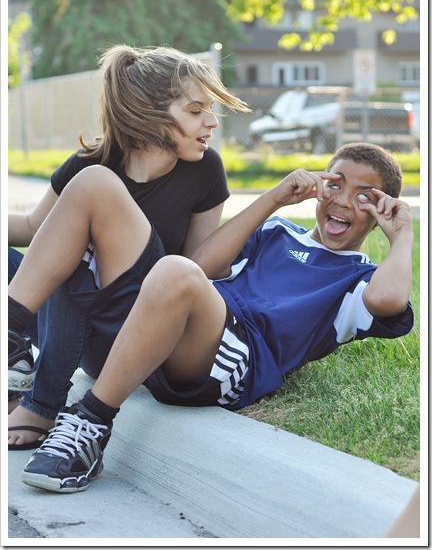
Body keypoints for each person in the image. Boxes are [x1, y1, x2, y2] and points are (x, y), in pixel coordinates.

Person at [10, 142, 414, 493]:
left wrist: (402, 234)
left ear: (381, 210)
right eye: (335, 184)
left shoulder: (357, 278)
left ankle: (91, 424)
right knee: (94, 184)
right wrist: (274, 198)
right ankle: (11, 344)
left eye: (364, 197)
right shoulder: (276, 232)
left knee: (175, 270)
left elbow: (389, 300)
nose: (343, 201)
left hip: (230, 359)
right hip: (171, 323)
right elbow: (205, 263)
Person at [8, 43, 250, 450]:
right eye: (196, 111)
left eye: (210, 109)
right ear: (147, 112)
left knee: (81, 250)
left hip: (133, 333)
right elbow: (35, 228)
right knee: (66, 243)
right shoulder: (91, 162)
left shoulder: (205, 169)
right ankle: (12, 354)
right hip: (69, 329)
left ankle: (41, 404)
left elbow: (197, 267)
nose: (211, 121)